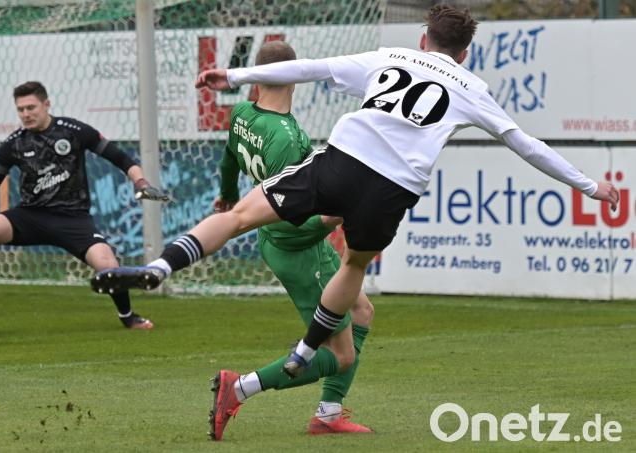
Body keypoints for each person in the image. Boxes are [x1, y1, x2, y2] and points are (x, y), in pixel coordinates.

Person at [94, 1, 619, 401]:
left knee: (236, 216)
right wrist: (590, 187)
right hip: (393, 187)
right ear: (463, 53)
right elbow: (524, 144)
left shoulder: (390, 57)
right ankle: (305, 351)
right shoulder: (471, 86)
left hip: (344, 158)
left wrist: (234, 76)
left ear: (422, 38)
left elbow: (309, 69)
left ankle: (162, 266)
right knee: (355, 263)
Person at [203, 41, 375, 440]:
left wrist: (228, 194)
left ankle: (329, 414)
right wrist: (332, 219)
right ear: (294, 74)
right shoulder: (286, 138)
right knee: (340, 355)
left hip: (277, 241)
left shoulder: (242, 113)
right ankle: (239, 387)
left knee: (362, 312)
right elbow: (286, 217)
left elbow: (230, 157)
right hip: (296, 246)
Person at [0, 81, 169, 333]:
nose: (26, 114)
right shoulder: (14, 144)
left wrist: (141, 181)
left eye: (31, 107)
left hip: (73, 219)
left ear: (46, 104)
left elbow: (121, 158)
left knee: (108, 266)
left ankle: (128, 316)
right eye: (20, 110)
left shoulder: (74, 131)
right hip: (31, 216)